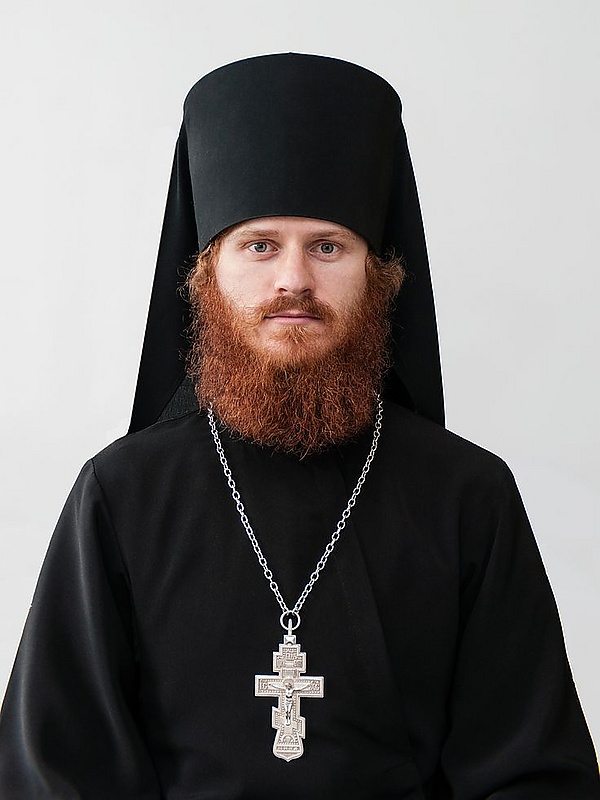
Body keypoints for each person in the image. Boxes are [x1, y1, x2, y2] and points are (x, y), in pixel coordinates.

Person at [0, 53, 598, 799]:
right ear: (206, 272)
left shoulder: (468, 495)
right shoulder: (121, 494)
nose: (293, 280)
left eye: (327, 246)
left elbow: (535, 776)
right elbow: (55, 774)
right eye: (259, 245)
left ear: (379, 274)